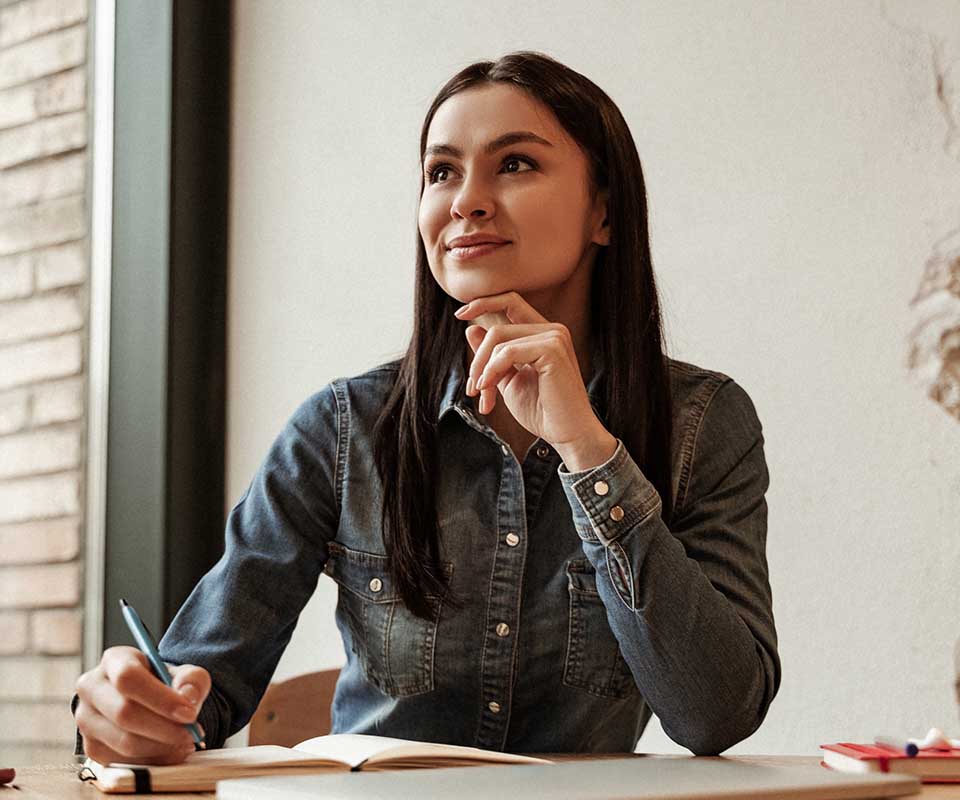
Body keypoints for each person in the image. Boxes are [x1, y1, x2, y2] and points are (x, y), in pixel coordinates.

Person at [73, 51, 780, 765]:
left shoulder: (703, 422)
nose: (466, 201)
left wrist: (589, 452)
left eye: (515, 164)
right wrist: (137, 709)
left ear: (604, 211)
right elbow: (199, 684)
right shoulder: (340, 429)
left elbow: (717, 715)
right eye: (441, 172)